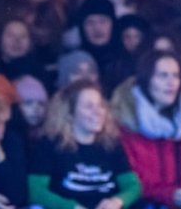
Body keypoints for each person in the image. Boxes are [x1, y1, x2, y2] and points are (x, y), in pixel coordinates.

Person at [110, 51, 181, 209]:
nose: (171, 82)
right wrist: (169, 195)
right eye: (163, 76)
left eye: (176, 76)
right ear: (146, 80)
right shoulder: (126, 123)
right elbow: (133, 180)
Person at [29, 80, 142, 209]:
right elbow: (36, 192)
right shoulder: (50, 145)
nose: (98, 111)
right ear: (70, 113)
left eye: (100, 105)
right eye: (89, 106)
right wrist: (71, 207)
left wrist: (117, 201)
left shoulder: (111, 144)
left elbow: (133, 186)